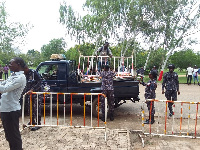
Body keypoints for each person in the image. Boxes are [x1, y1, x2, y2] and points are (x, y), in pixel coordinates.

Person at [0, 57, 26, 150]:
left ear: (18, 64)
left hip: (11, 109)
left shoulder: (20, 78)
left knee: (14, 136)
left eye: (11, 63)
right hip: (5, 108)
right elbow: (3, 84)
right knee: (9, 136)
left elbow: (4, 89)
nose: (9, 65)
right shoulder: (13, 75)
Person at [23, 65, 43, 131]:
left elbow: (40, 81)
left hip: (37, 94)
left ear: (26, 68)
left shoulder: (34, 73)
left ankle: (38, 124)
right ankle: (32, 121)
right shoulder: (24, 74)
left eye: (23, 70)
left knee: (36, 109)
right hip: (29, 94)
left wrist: (33, 89)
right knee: (30, 108)